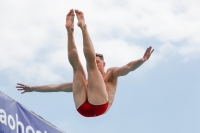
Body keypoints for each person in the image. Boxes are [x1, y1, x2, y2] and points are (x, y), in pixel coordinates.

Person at [16, 9, 154, 117]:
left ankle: (84, 27)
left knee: (89, 66)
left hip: (100, 106)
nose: (96, 62)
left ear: (104, 64)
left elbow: (128, 67)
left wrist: (141, 61)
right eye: (95, 60)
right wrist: (33, 88)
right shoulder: (85, 82)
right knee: (77, 68)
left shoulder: (111, 73)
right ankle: (70, 31)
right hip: (82, 108)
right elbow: (55, 87)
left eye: (98, 61)